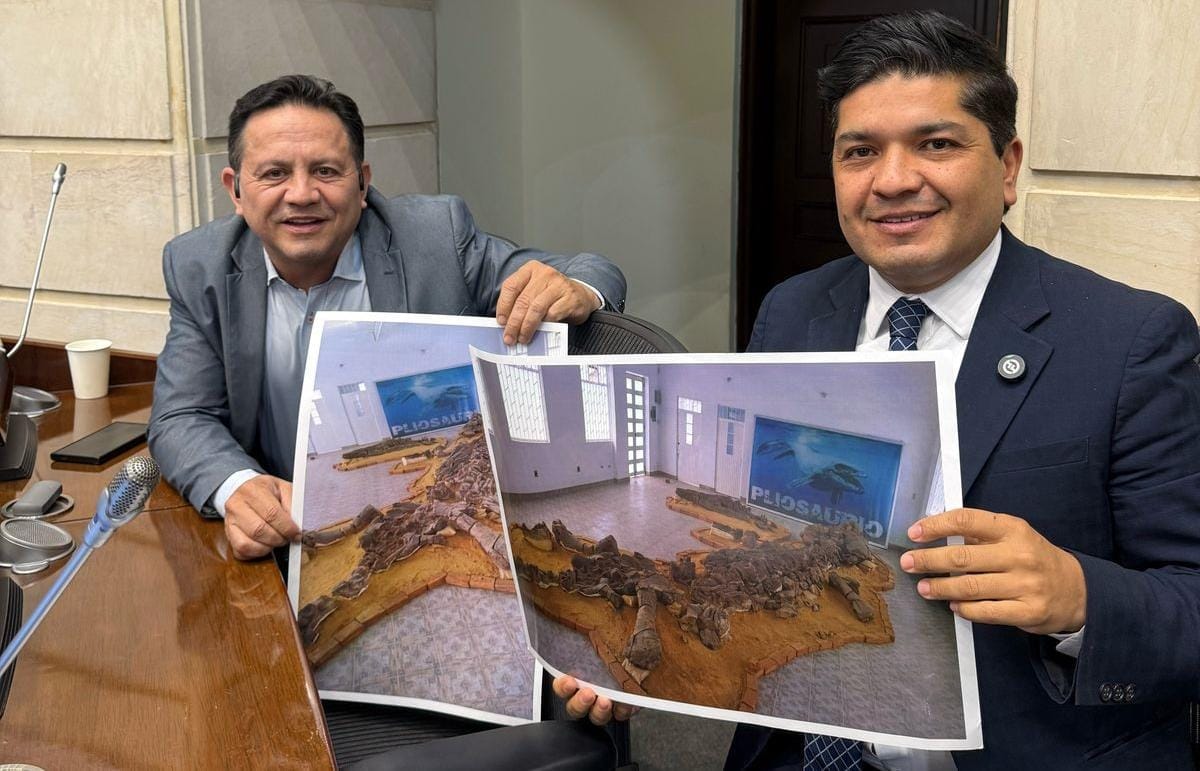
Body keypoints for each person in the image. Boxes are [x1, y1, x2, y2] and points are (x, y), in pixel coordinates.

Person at [557, 11, 1200, 770]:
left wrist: (1078, 596)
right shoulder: (793, 310)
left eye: (937, 144)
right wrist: (660, 656)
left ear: (1008, 166)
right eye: (860, 151)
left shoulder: (1129, 341)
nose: (893, 181)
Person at [149, 75, 626, 561]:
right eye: (274, 173)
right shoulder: (199, 266)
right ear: (235, 190)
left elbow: (589, 270)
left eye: (326, 171)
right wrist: (237, 486)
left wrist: (577, 289)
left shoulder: (435, 237)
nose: (301, 194)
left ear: (362, 182)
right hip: (273, 538)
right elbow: (181, 415)